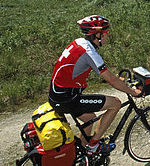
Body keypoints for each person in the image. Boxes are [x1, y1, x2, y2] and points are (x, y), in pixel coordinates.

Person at [49, 15, 142, 156]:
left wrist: (116, 79)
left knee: (89, 118)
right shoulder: (90, 52)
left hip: (57, 95)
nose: (107, 37)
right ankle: (93, 145)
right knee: (115, 103)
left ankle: (81, 155)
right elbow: (110, 79)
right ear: (96, 35)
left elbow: (99, 73)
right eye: (105, 34)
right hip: (68, 98)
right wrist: (132, 92)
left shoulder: (79, 43)